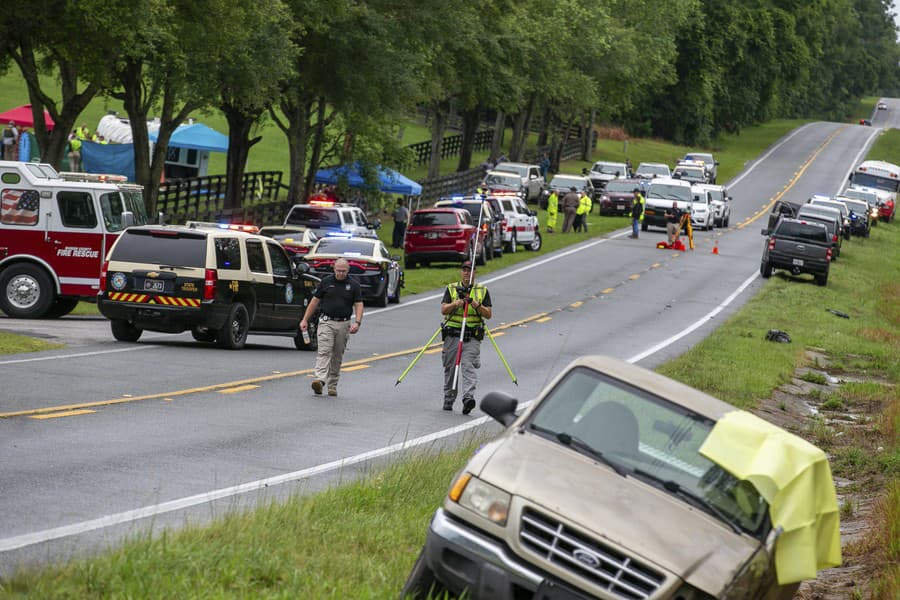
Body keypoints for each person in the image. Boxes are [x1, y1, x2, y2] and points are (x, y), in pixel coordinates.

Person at [300, 258, 363, 397]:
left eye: (343, 271)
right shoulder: (326, 282)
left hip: (344, 323)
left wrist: (357, 322)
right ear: (334, 269)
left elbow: (359, 304)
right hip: (326, 322)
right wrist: (305, 319)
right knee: (324, 351)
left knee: (337, 355)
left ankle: (332, 385)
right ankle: (320, 380)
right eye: (338, 270)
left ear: (348, 271)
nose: (340, 274)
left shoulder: (354, 285)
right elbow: (315, 301)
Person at [441, 260, 492, 414]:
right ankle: (449, 397)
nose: (466, 273)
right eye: (464, 270)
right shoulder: (451, 289)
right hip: (453, 334)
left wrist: (475, 304)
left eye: (470, 270)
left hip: (472, 336)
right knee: (451, 367)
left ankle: (468, 399)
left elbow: (488, 314)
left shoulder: (482, 291)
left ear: (474, 273)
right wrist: (457, 303)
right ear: (461, 272)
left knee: (467, 365)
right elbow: (443, 309)